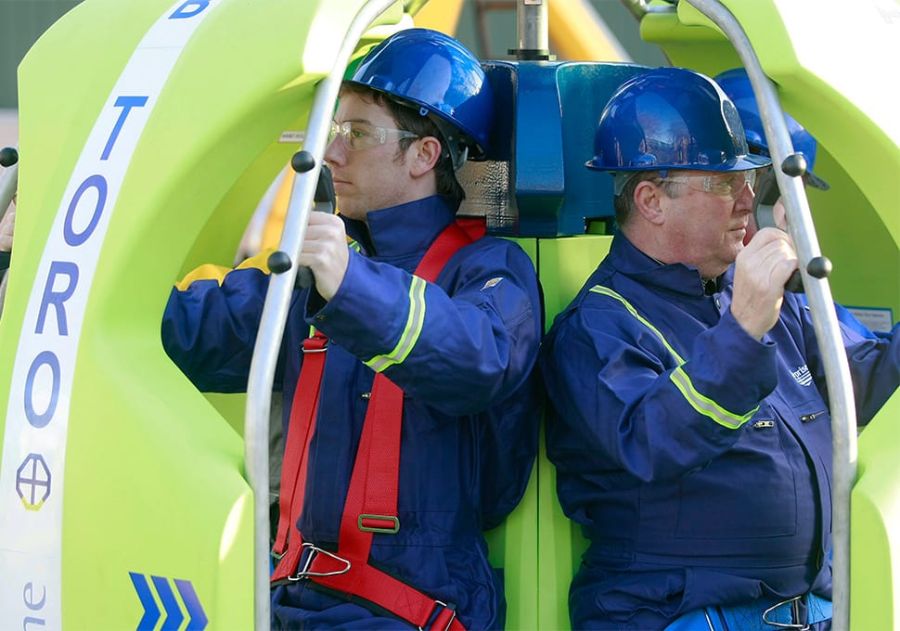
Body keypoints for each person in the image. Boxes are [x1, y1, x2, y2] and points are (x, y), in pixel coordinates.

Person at [163, 28, 542, 630]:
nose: (333, 155)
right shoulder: (323, 266)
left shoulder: (490, 270)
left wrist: (350, 285)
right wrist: (36, 270)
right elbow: (193, 334)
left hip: (411, 610)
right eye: (334, 132)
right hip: (287, 599)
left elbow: (479, 360)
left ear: (425, 155)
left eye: (359, 135)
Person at [540, 66, 899, 631]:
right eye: (722, 182)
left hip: (809, 614)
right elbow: (652, 444)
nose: (748, 199)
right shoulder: (598, 328)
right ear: (652, 201)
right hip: (678, 617)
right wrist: (744, 327)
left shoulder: (758, 298)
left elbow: (868, 384)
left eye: (749, 178)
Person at [716, 67, 883, 340]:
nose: (790, 214)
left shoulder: (782, 292)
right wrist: (743, 329)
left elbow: (867, 361)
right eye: (789, 189)